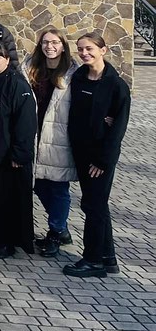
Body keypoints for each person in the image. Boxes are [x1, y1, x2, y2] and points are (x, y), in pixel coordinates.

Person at [62, 32, 131, 278]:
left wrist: (103, 160)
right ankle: (108, 258)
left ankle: (93, 260)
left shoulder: (116, 85)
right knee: (96, 205)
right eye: (80, 49)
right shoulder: (79, 77)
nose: (84, 53)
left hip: (100, 158)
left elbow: (119, 128)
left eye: (89, 48)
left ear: (103, 50)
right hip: (81, 152)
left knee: (94, 205)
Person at [0, 42, 37, 258]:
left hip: (10, 157)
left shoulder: (18, 85)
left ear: (6, 60)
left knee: (7, 202)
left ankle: (6, 243)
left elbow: (26, 122)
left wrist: (20, 154)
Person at [23, 27, 78, 257]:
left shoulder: (73, 72)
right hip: (34, 134)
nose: (50, 47)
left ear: (63, 45)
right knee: (39, 185)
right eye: (45, 42)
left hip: (58, 137)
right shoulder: (30, 68)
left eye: (55, 42)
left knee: (57, 187)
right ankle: (61, 228)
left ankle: (56, 233)